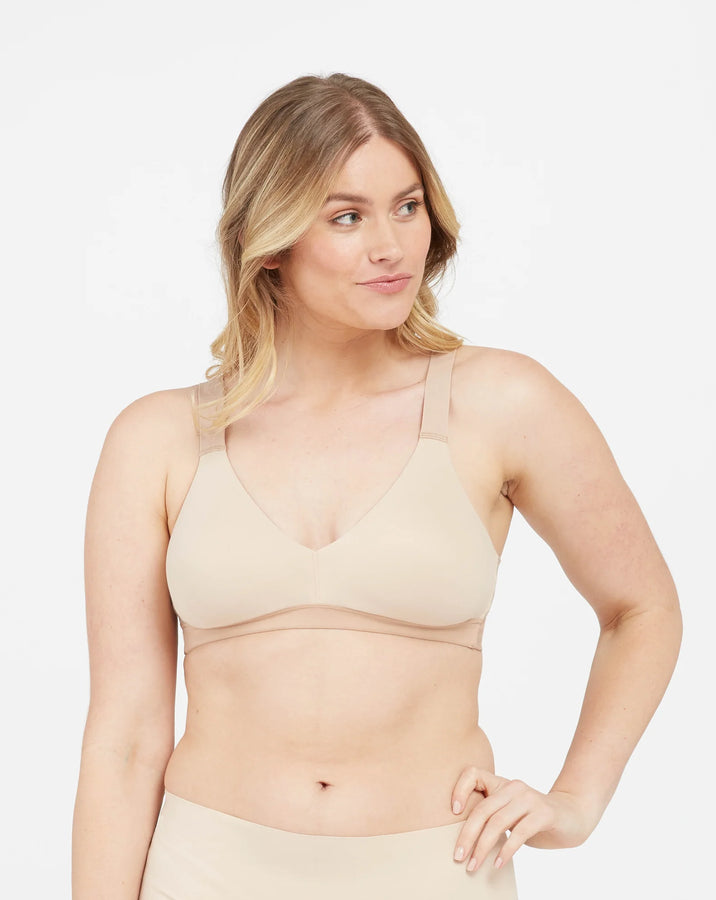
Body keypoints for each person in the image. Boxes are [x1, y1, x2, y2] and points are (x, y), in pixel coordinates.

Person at [71, 73, 682, 899]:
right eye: (346, 216)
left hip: (437, 871)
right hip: (206, 871)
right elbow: (125, 740)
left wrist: (577, 801)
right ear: (270, 238)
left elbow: (642, 608)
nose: (391, 246)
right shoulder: (158, 440)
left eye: (408, 206)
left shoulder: (502, 404)